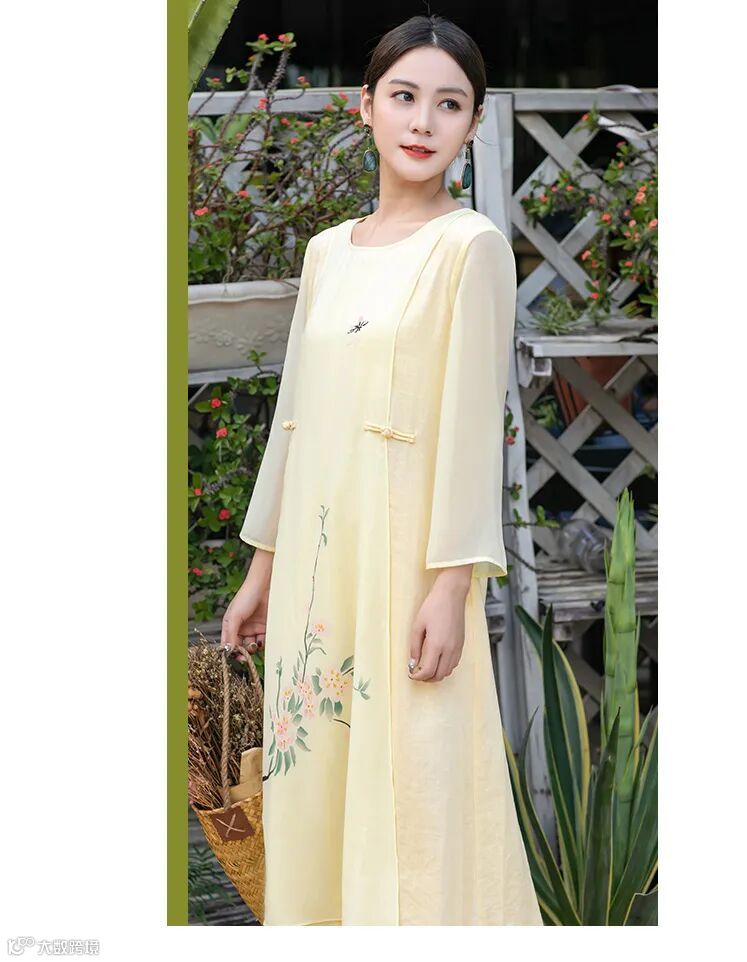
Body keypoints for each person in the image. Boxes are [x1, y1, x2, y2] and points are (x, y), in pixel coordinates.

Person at [222, 14, 544, 926]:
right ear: (366, 106)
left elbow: (474, 426)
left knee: (415, 774)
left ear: (471, 124)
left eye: (449, 104)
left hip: (406, 565)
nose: (422, 121)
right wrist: (263, 567)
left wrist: (453, 583)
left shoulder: (470, 247)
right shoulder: (327, 251)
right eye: (404, 96)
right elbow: (295, 416)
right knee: (316, 774)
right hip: (317, 570)